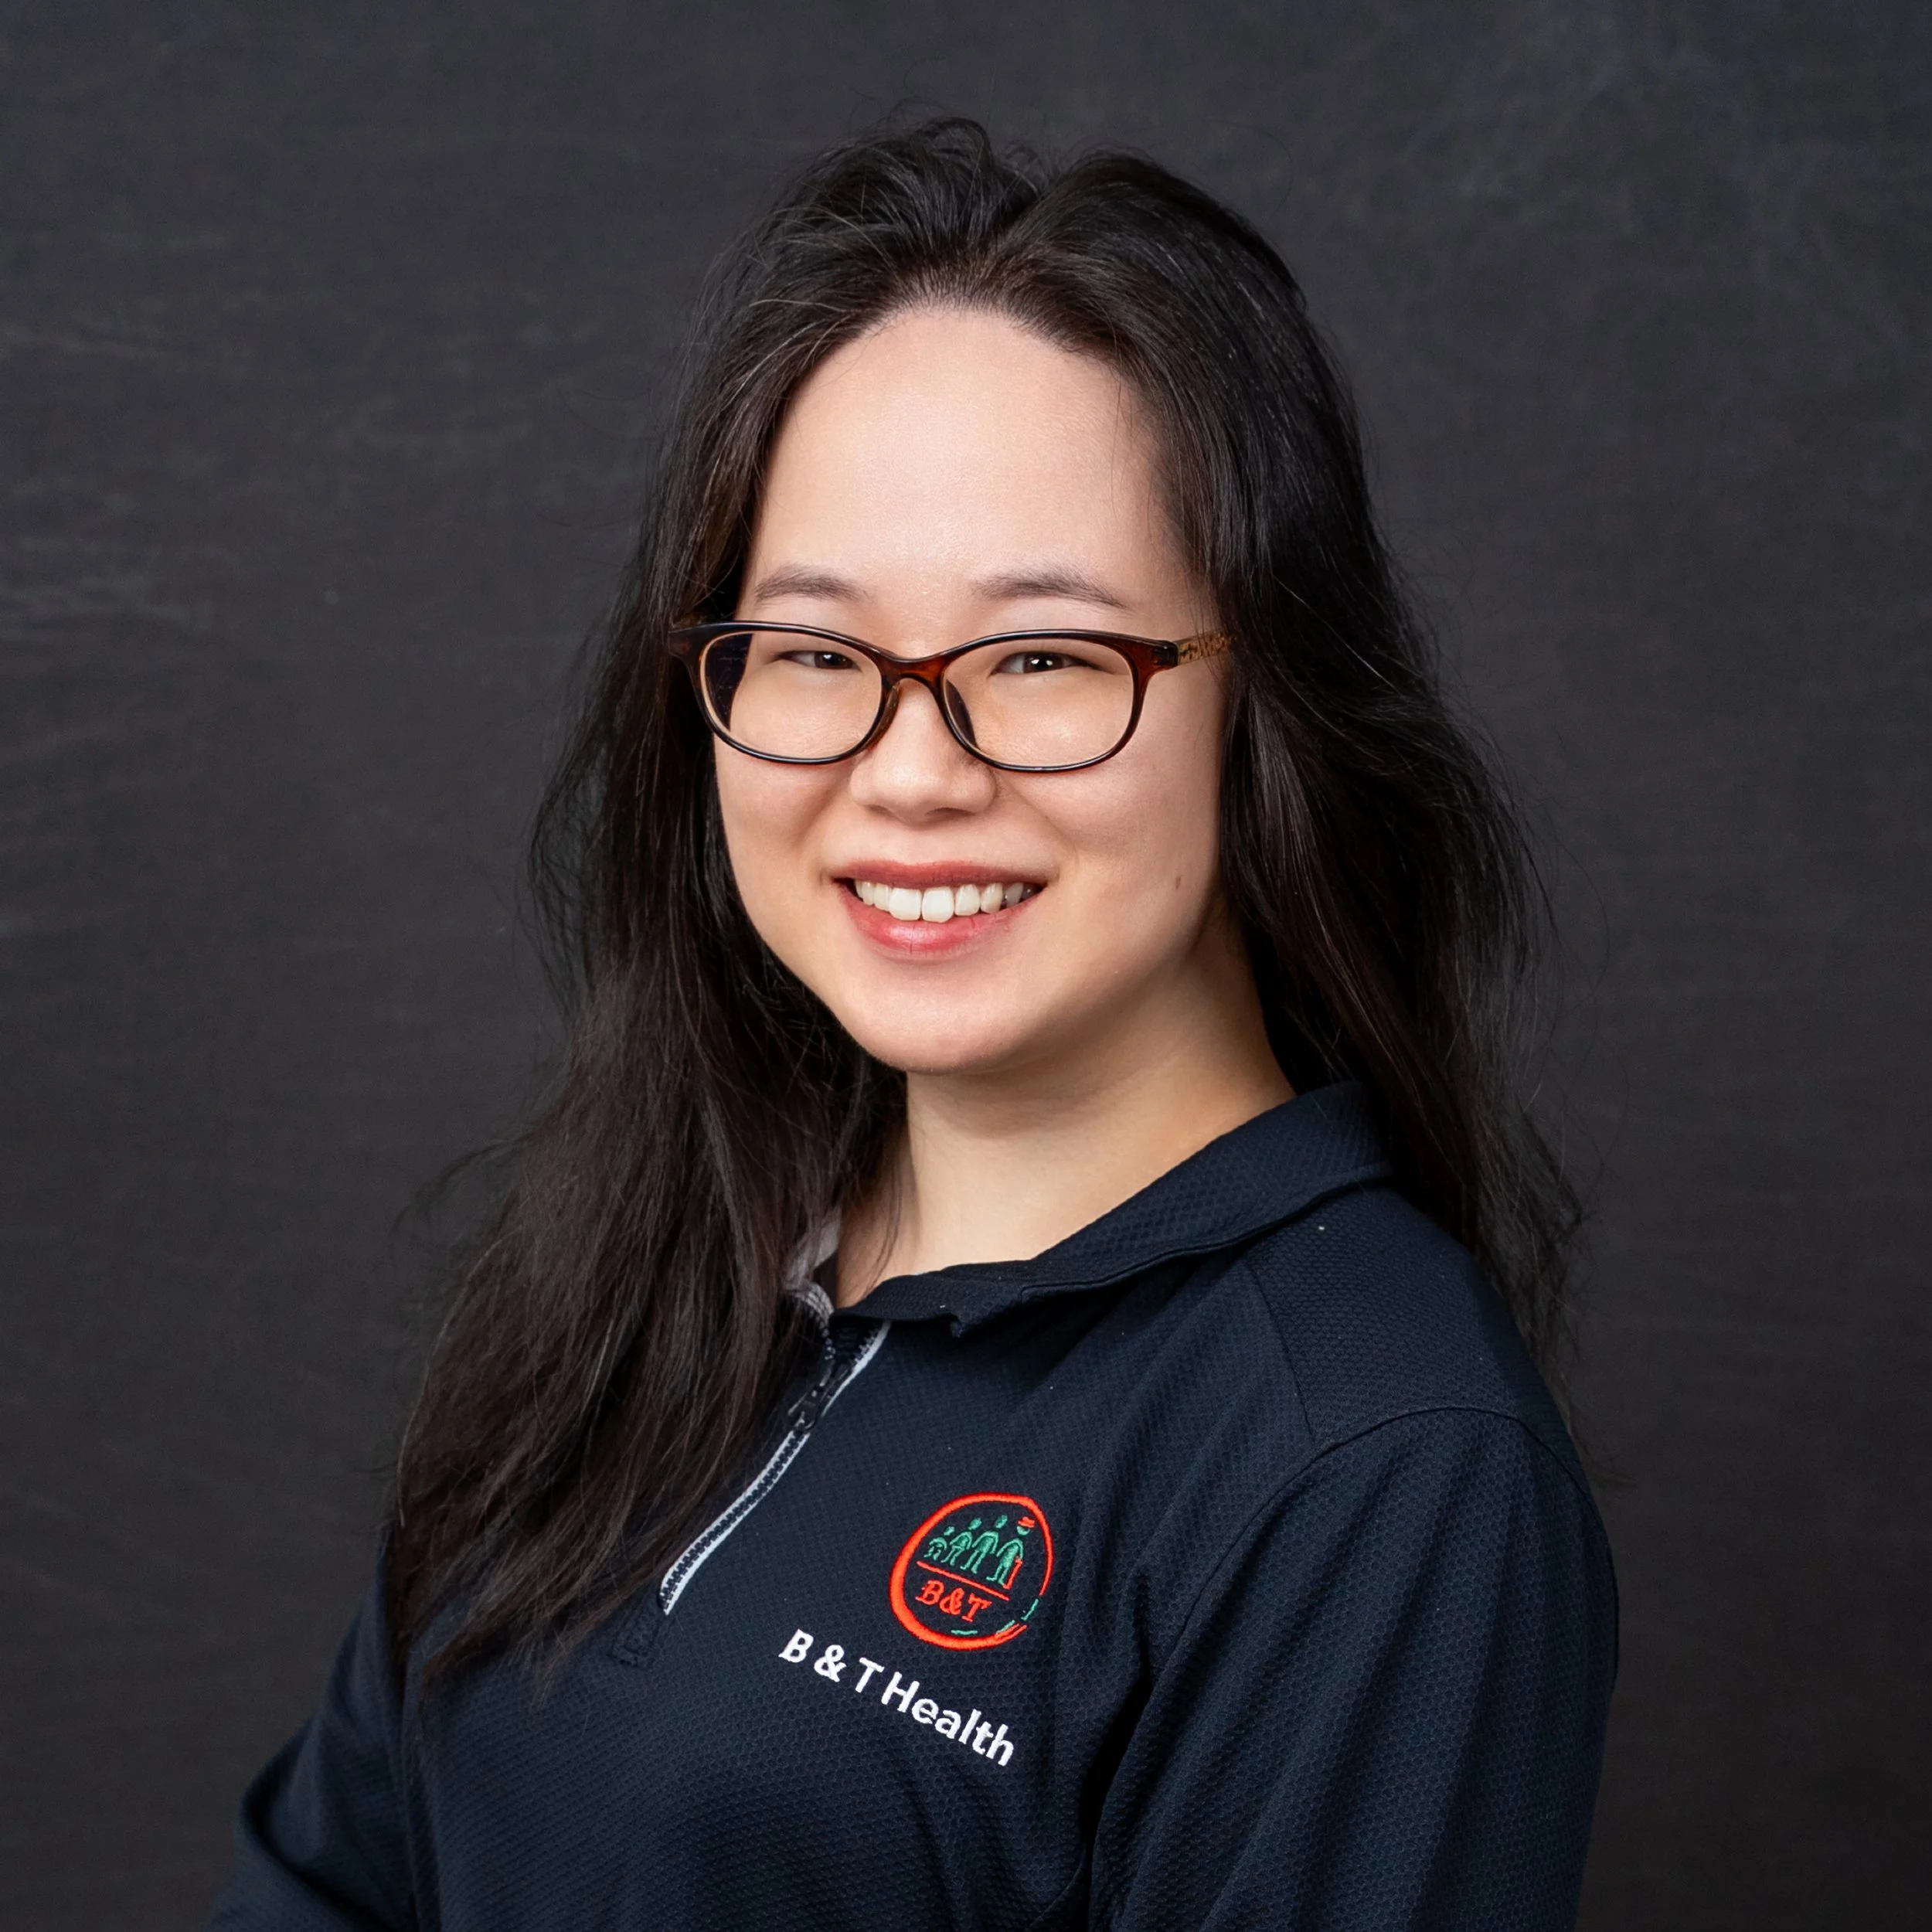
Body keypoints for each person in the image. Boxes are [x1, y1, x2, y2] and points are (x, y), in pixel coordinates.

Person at [209, 117, 1615, 1931]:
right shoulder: (660, 1244)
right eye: (813, 651)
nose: (906, 773)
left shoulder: (1378, 1464)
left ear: (1264, 701)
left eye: (1039, 658)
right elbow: (326, 1877)